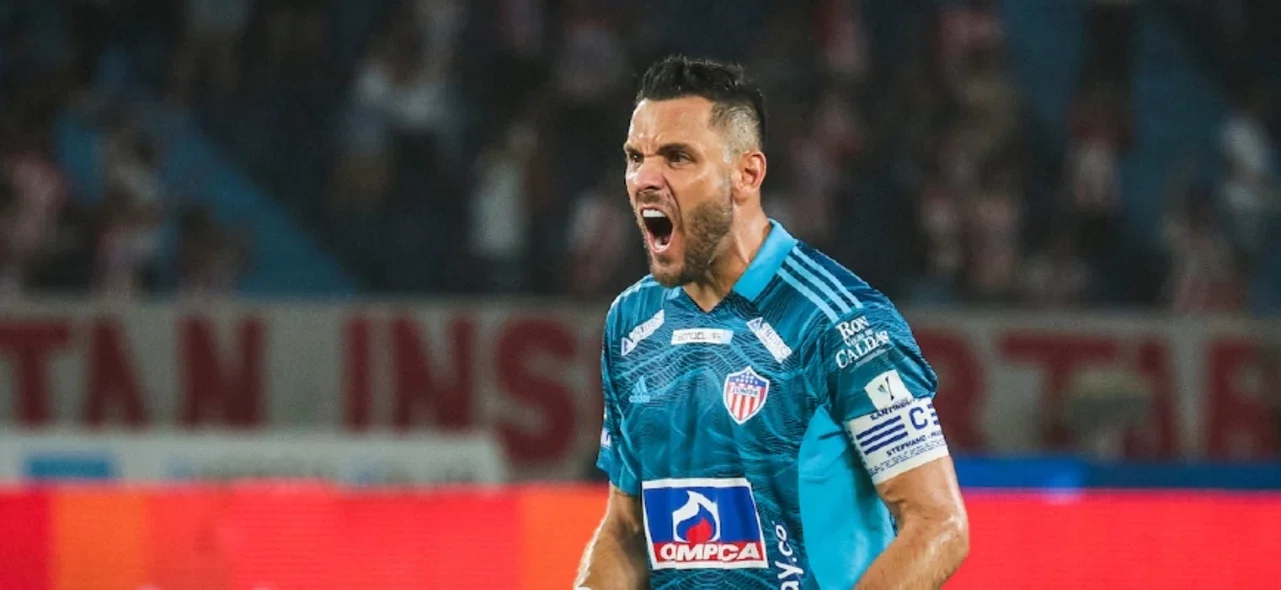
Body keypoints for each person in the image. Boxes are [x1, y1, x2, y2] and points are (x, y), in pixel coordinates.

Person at [575, 56, 969, 589]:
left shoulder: (841, 322)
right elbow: (625, 530)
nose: (645, 178)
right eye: (635, 156)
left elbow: (939, 524)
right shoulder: (632, 322)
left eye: (677, 157)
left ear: (747, 174)